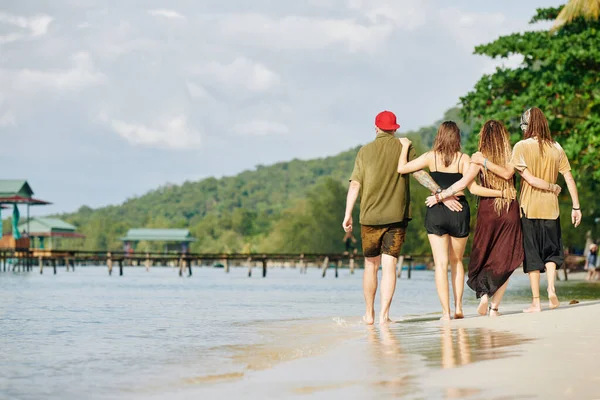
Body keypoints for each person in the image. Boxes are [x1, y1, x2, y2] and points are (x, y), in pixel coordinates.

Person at [343, 111, 463, 325]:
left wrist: (348, 213)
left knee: (371, 265)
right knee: (389, 265)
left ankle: (369, 314)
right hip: (396, 216)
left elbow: (355, 184)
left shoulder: (364, 151)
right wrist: (441, 195)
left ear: (376, 127)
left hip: (369, 216)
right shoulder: (403, 147)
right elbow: (419, 174)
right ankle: (384, 316)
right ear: (395, 128)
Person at [430, 120, 560, 317]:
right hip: (509, 210)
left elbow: (466, 184)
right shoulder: (512, 155)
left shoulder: (478, 158)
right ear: (504, 137)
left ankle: (484, 295)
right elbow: (508, 173)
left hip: (487, 211)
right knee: (506, 260)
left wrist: (440, 195)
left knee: (485, 255)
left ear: (483, 137)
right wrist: (501, 192)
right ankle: (494, 307)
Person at [471, 107, 582, 313]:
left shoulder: (521, 147)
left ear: (526, 125)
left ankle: (536, 302)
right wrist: (576, 206)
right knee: (552, 253)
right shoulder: (557, 147)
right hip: (552, 209)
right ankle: (550, 288)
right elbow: (568, 177)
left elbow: (527, 178)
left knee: (532, 257)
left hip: (529, 209)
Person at [397, 121, 503, 321]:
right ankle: (458, 308)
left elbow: (402, 168)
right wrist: (501, 192)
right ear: (458, 138)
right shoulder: (463, 159)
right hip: (459, 210)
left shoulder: (431, 157)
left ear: (439, 136)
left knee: (440, 264)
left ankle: (445, 312)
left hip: (436, 210)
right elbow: (472, 188)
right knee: (456, 262)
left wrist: (404, 148)